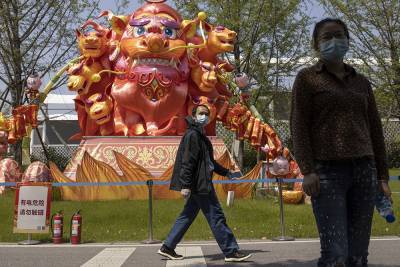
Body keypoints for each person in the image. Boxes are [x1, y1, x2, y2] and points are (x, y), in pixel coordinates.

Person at [290, 18, 392, 267]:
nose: (333, 41)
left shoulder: (362, 82)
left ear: (347, 40)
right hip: (327, 174)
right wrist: (308, 170)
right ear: (316, 44)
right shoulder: (307, 79)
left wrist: (382, 177)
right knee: (335, 255)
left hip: (364, 172)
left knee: (358, 255)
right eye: (326, 37)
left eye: (338, 35)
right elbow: (298, 126)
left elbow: (375, 130)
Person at [157, 104, 252, 262]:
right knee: (216, 215)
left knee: (187, 216)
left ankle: (167, 247)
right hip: (199, 184)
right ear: (194, 116)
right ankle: (230, 251)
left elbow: (209, 162)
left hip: (199, 182)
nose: (205, 116)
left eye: (207, 114)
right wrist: (185, 185)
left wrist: (227, 172)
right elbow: (188, 161)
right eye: (201, 113)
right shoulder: (193, 135)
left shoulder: (200, 135)